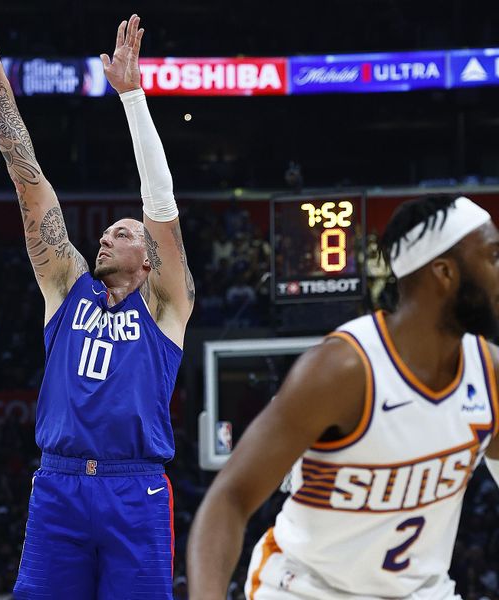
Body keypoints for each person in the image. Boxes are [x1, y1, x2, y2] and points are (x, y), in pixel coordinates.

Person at [0, 4, 194, 599]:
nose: (106, 236)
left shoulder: (166, 307)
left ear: (149, 259)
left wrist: (133, 99)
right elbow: (27, 178)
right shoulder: (66, 287)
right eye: (106, 230)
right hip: (58, 486)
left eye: (123, 232)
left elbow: (160, 207)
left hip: (134, 488)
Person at [187, 195, 499, 599]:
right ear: (444, 273)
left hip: (422, 592)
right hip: (307, 590)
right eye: (493, 257)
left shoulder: (489, 372)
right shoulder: (344, 370)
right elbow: (228, 499)